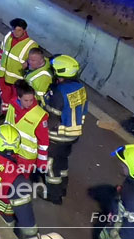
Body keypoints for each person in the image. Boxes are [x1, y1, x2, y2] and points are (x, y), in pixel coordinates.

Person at [42, 54, 87, 205]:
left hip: (57, 136)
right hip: (73, 135)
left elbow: (53, 118)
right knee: (62, 161)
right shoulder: (80, 88)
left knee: (51, 164)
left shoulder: (58, 92)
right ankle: (63, 187)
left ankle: (55, 195)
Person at [0, 18, 38, 115]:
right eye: (14, 29)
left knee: (16, 100)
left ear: (24, 31)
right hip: (3, 75)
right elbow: (1, 51)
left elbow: (35, 63)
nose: (16, 32)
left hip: (18, 80)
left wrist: (28, 65)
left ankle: (14, 118)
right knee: (4, 97)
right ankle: (4, 114)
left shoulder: (31, 45)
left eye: (19, 30)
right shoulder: (8, 36)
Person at [4, 80, 49, 175]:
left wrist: (42, 164)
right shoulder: (12, 106)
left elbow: (43, 143)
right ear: (19, 98)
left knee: (21, 181)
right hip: (10, 150)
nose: (29, 103)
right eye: (26, 100)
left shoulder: (39, 116)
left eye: (31, 100)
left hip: (26, 158)